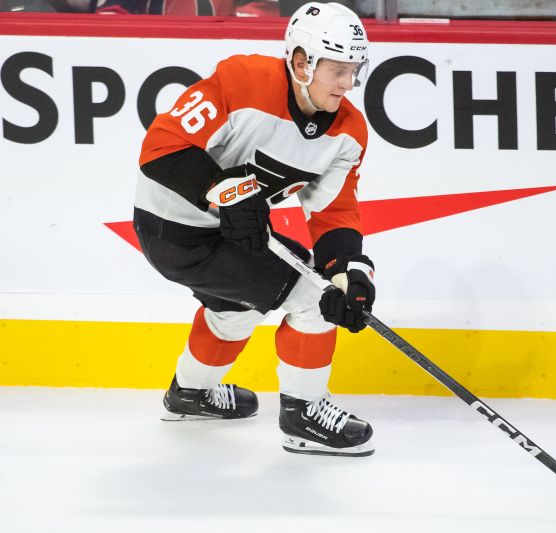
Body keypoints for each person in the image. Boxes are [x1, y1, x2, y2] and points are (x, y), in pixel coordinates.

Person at [133, 1, 376, 457]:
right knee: (311, 297)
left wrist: (350, 272)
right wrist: (222, 191)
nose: (348, 84)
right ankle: (304, 415)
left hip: (228, 235)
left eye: (354, 70)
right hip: (173, 228)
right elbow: (160, 147)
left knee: (239, 307)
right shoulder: (242, 80)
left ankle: (190, 394)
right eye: (337, 70)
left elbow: (334, 212)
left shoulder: (348, 132)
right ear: (302, 62)